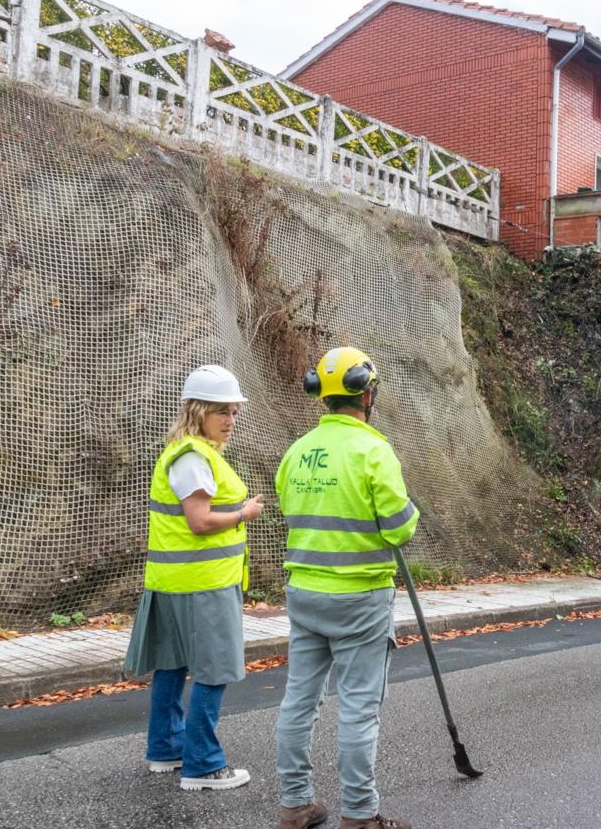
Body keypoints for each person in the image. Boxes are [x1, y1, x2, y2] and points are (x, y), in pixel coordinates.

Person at [275, 347, 420, 829]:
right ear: (367, 392)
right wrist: (409, 511)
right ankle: (359, 815)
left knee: (299, 700)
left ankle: (296, 804)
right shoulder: (374, 450)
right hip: (360, 598)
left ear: (321, 395)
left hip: (304, 594)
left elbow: (289, 509)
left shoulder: (297, 452)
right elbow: (398, 528)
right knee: (358, 708)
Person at [124, 364, 263, 791]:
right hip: (202, 584)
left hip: (175, 582)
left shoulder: (188, 453)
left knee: (172, 665)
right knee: (214, 670)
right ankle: (203, 764)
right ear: (198, 410)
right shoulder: (192, 458)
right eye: (222, 411)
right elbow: (200, 521)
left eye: (235, 412)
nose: (230, 420)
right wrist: (244, 512)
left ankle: (167, 750)